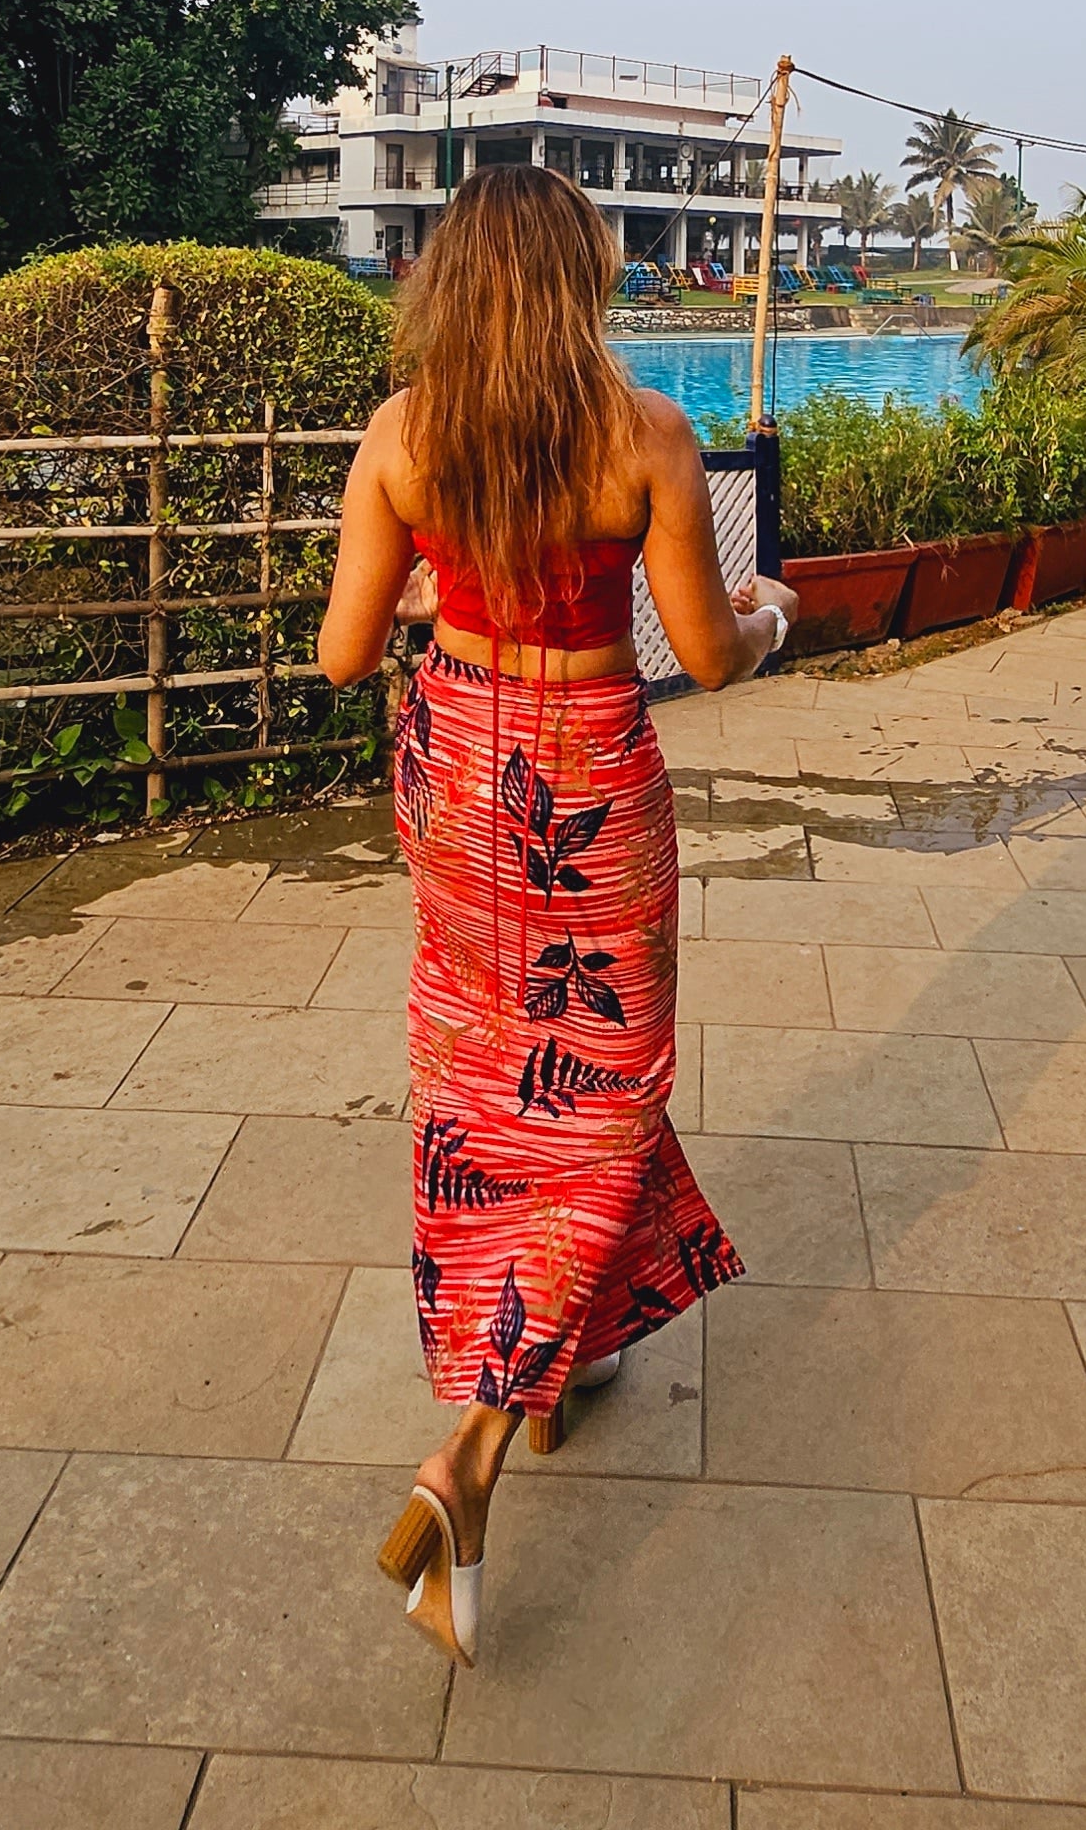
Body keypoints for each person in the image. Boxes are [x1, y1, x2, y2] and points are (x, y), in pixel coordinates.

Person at [318, 164, 801, 1667]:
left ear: (454, 278)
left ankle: (553, 1361)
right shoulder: (644, 433)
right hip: (590, 777)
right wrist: (779, 604)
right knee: (601, 1092)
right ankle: (468, 1445)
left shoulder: (405, 436)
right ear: (584, 279)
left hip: (462, 774)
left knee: (486, 1071)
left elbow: (344, 655)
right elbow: (713, 656)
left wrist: (424, 600)